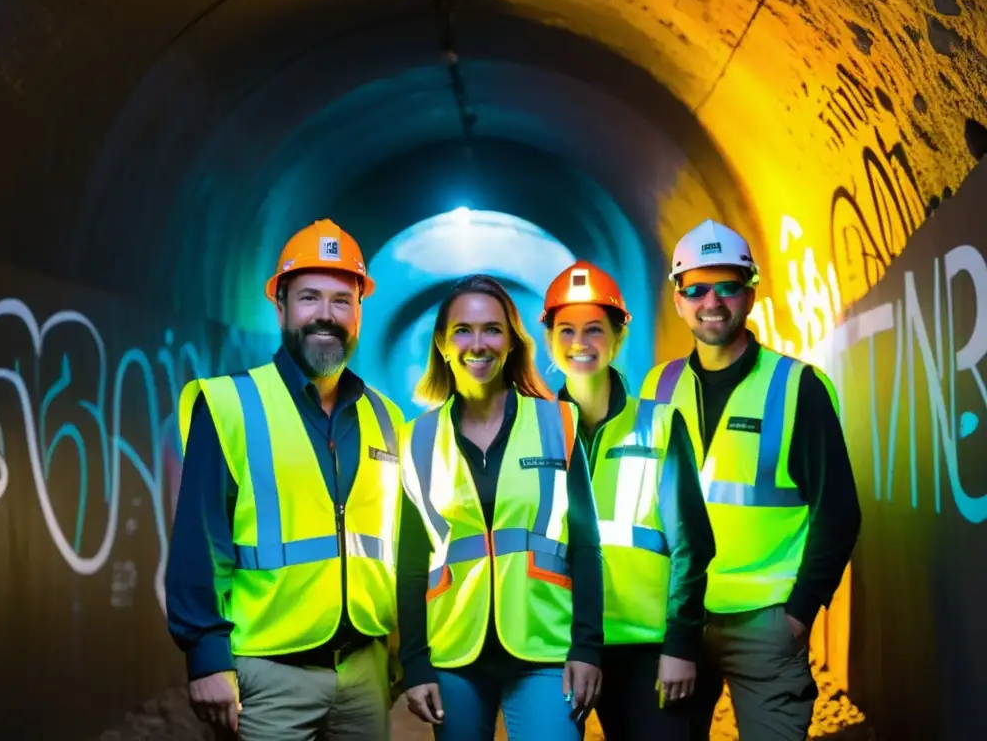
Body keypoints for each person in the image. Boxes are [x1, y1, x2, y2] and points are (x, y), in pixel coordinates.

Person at [165, 219, 406, 741]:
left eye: (342, 300)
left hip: (364, 672)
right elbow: (198, 540)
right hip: (267, 676)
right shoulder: (230, 405)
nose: (326, 315)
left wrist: (407, 656)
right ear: (281, 309)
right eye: (309, 298)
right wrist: (206, 656)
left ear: (360, 312)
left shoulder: (386, 417)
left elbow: (402, 546)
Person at [639, 219, 862, 741]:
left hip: (766, 622)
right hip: (678, 618)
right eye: (695, 288)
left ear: (751, 292)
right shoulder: (658, 386)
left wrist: (800, 613)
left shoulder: (797, 387)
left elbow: (838, 511)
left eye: (728, 285)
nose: (711, 301)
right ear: (677, 299)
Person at [395, 274, 604, 740]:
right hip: (454, 652)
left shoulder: (557, 422)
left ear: (511, 341)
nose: (478, 343)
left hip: (545, 647)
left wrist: (587, 648)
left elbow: (587, 545)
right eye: (463, 331)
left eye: (492, 329)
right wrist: (414, 663)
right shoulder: (417, 439)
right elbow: (410, 563)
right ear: (442, 344)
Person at [540, 261, 715, 741]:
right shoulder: (534, 431)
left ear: (618, 337)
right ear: (549, 339)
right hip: (560, 643)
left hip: (645, 647)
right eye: (567, 330)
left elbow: (692, 545)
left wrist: (681, 644)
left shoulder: (659, 424)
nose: (580, 342)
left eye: (595, 330)